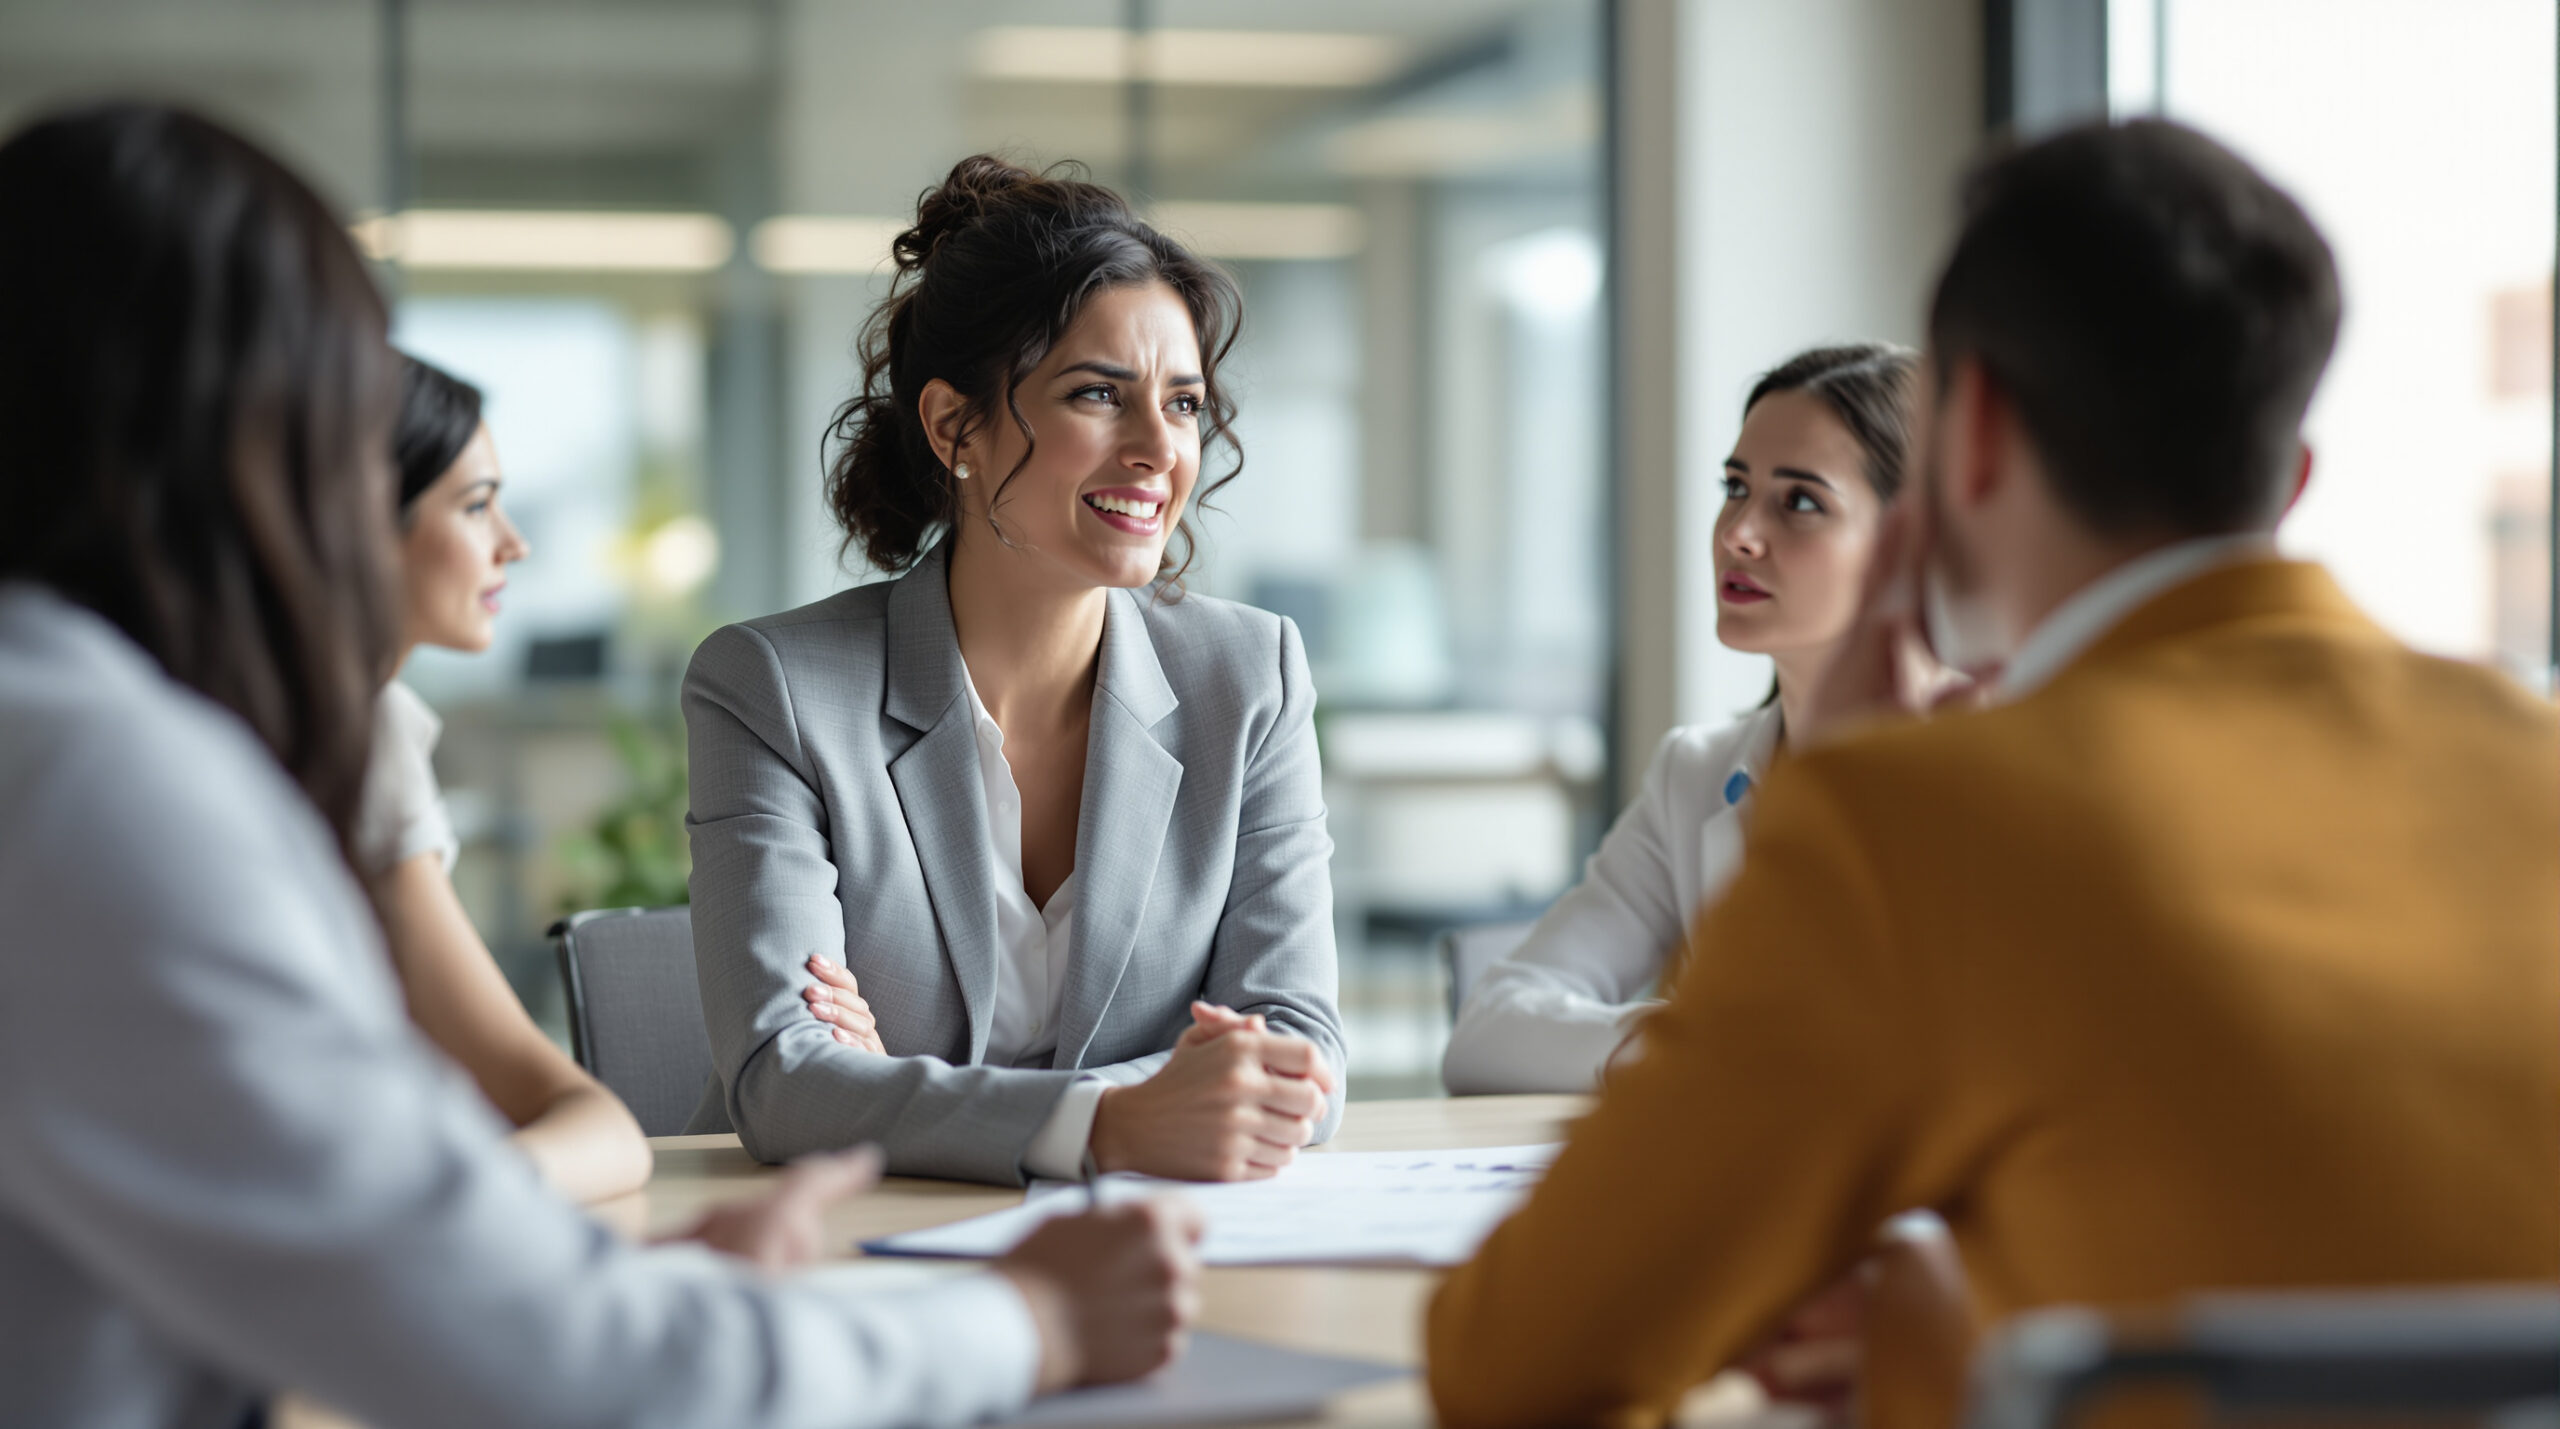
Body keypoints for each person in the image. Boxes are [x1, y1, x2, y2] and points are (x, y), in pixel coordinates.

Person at [0, 101, 1200, 1429]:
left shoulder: (68, 738)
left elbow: (397, 1280)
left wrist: (590, 1305)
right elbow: (523, 1333)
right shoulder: (92, 785)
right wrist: (1029, 1319)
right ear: (227, 441)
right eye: (339, 420)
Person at [1427, 118, 2560, 1429]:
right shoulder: (2531, 756)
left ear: (1969, 440)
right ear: (2290, 475)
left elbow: (1513, 1362)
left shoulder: (1920, 822)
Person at [684, 155, 1345, 1187]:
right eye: (1096, 394)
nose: (1156, 450)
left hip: (1160, 1251)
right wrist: (1121, 1122)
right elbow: (781, 1082)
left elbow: (1300, 1049)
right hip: (851, 1250)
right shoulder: (774, 686)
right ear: (955, 425)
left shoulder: (1248, 675)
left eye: (1181, 405)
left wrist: (907, 1090)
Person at [1442, 344, 1917, 1096]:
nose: (1738, 532)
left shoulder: (1999, 775)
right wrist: (1702, 1038)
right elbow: (1489, 1033)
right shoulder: (1698, 776)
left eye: (1799, 502)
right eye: (1736, 487)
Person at [360, 353, 652, 1203]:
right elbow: (585, 1119)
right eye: (476, 504)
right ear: (362, 524)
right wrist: (448, 1205)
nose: (512, 542)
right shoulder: (359, 734)